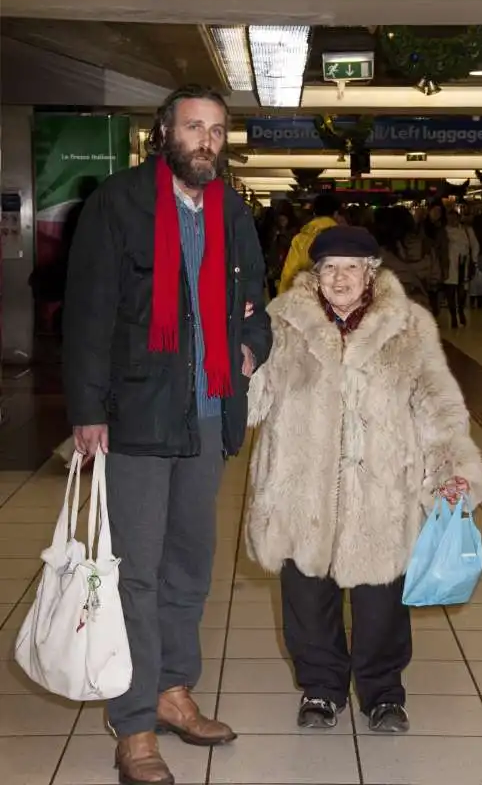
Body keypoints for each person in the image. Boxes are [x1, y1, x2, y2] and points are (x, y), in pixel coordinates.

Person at [63, 85, 272, 785]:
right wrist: (87, 410)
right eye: (193, 127)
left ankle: (174, 689)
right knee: (137, 575)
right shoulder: (118, 204)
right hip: (138, 419)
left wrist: (249, 346)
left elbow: (256, 305)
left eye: (216, 130)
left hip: (209, 417)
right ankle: (135, 724)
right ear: (165, 133)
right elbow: (88, 313)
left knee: (190, 568)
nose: (206, 140)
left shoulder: (233, 209)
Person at [244, 226, 482, 734]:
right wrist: (237, 348)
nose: (339, 278)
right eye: (329, 268)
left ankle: (383, 693)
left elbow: (435, 402)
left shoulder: (408, 325)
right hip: (300, 485)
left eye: (351, 267)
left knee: (381, 604)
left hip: (381, 490)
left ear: (371, 272)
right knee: (308, 600)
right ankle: (321, 687)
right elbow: (253, 399)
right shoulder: (283, 323)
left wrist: (450, 468)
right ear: (314, 274)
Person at [278, 193, 341, 293]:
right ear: (336, 214)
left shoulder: (301, 239)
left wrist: (282, 299)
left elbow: (289, 274)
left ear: (314, 214)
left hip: (307, 297)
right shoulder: (344, 238)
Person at [444, 210, 479, 328]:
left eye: (455, 218)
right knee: (450, 291)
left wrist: (474, 260)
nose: (453, 220)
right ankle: (453, 315)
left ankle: (461, 311)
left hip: (464, 263)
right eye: (450, 218)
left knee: (462, 290)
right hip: (449, 265)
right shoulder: (444, 232)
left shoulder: (467, 231)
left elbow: (475, 245)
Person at [420, 202, 449, 319]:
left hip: (435, 263)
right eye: (435, 211)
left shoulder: (441, 229)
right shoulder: (421, 227)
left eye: (439, 212)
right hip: (423, 263)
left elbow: (444, 249)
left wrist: (445, 266)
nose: (437, 214)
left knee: (434, 291)